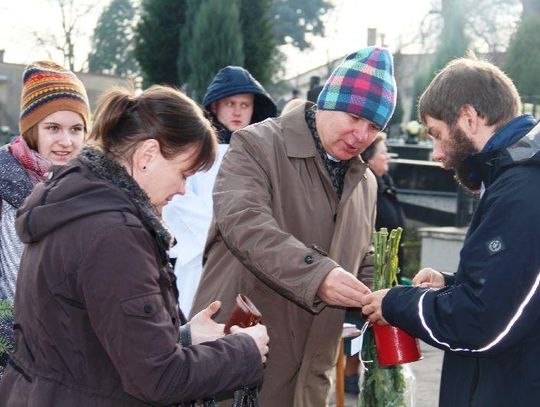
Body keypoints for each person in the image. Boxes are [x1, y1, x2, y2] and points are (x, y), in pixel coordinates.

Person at [0, 85, 269, 406]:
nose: (184, 190)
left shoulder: (77, 204)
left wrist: (184, 337)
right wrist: (243, 351)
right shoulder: (114, 234)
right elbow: (159, 379)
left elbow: (88, 343)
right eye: (184, 173)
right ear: (147, 156)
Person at [191, 46, 397, 406]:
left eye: (374, 126)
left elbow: (361, 252)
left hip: (310, 379)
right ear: (326, 102)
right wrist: (318, 276)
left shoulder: (366, 182)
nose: (361, 135)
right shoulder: (256, 144)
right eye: (353, 117)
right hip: (240, 367)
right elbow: (244, 223)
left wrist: (391, 296)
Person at [361, 56, 540, 406]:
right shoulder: (515, 179)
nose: (437, 153)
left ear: (469, 118)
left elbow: (483, 325)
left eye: (437, 135)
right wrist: (452, 285)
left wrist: (398, 303)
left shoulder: (520, 189)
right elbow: (517, 290)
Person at [0, 61, 90, 380]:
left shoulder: (90, 187)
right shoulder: (6, 185)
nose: (66, 141)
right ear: (32, 130)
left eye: (76, 129)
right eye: (53, 128)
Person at [163, 66, 276, 316]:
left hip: (251, 263)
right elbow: (177, 200)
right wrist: (221, 237)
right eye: (230, 103)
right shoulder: (195, 151)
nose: (237, 111)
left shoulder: (264, 156)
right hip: (200, 261)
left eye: (244, 105)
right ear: (215, 106)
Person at [344, 133, 408, 395]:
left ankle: (365, 372)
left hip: (387, 270)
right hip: (368, 273)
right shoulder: (366, 187)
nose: (387, 156)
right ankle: (350, 374)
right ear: (369, 158)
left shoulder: (385, 184)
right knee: (359, 329)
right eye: (383, 152)